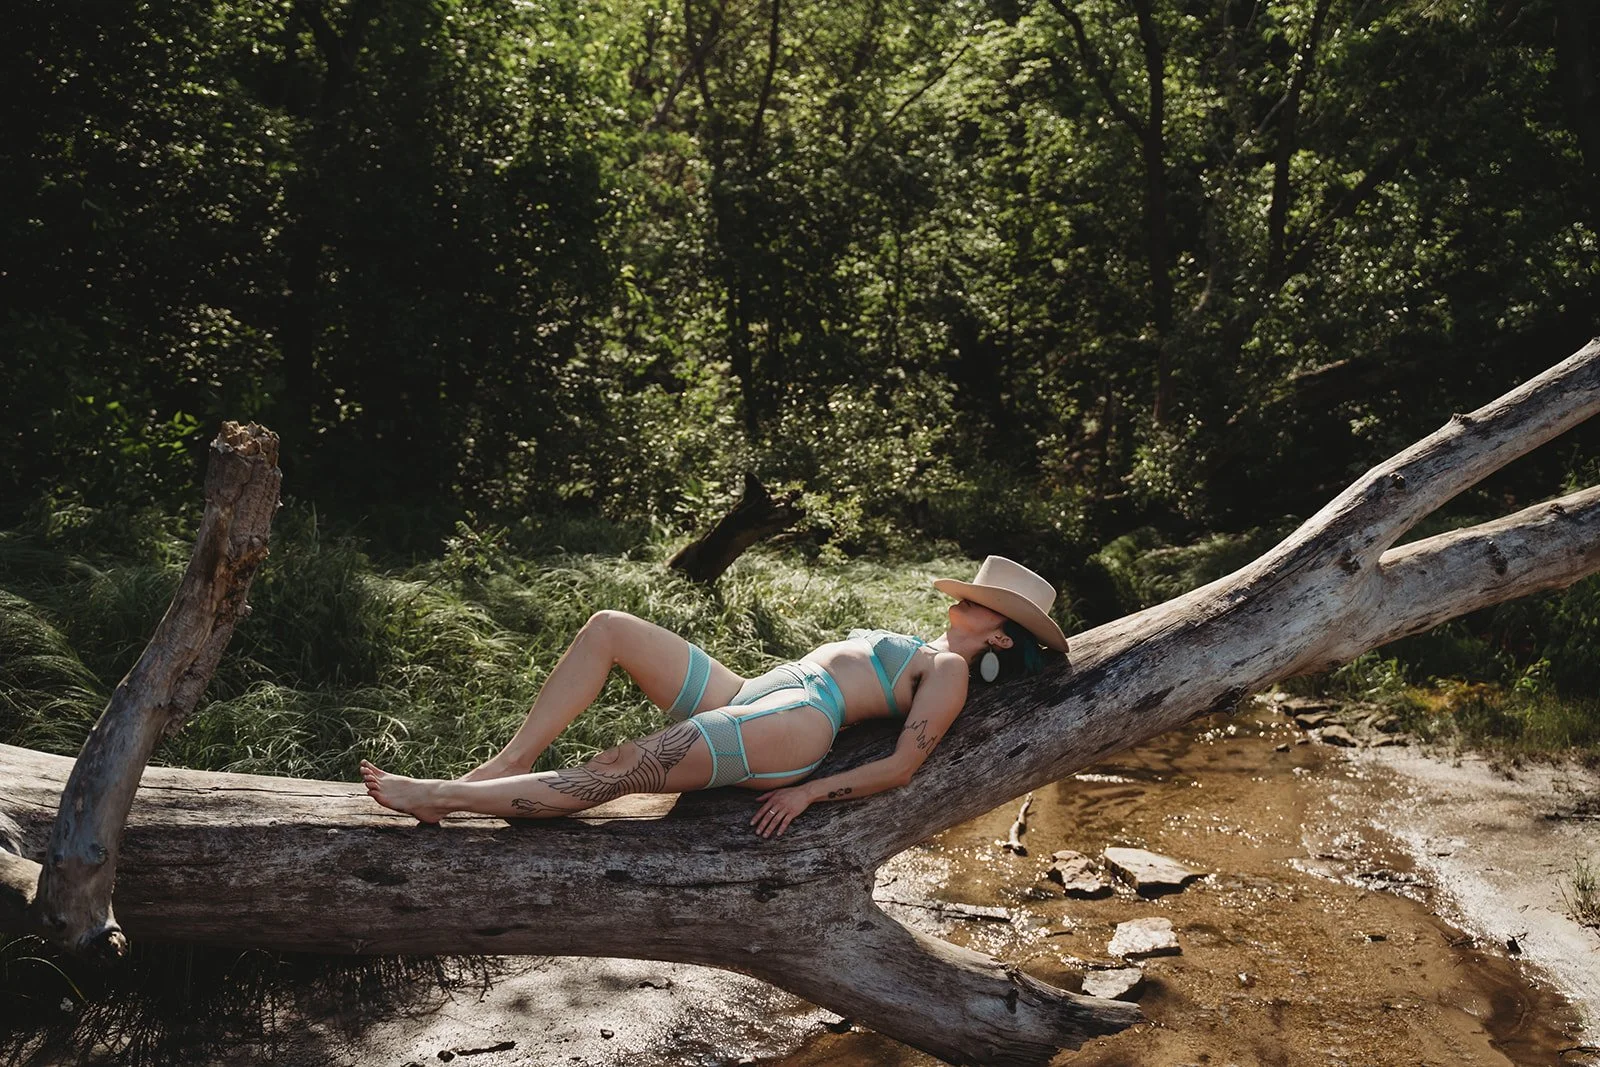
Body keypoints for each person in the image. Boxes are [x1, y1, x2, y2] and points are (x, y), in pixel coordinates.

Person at [360, 556, 1068, 837]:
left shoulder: (948, 672)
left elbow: (900, 769)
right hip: (759, 689)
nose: (966, 602)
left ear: (1002, 639)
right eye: (971, 593)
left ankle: (441, 796)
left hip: (796, 724)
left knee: (622, 763)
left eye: (982, 604)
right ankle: (508, 761)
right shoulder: (935, 651)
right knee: (611, 628)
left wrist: (809, 794)